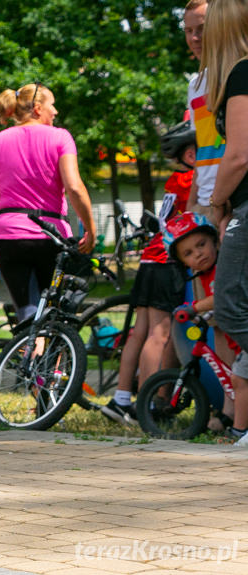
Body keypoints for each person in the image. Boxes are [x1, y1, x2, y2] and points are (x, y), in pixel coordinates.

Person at [0, 83, 96, 324]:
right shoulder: (61, 137)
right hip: (50, 236)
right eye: (52, 105)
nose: (56, 111)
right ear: (38, 108)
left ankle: (27, 353)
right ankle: (54, 360)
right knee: (54, 315)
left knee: (27, 313)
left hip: (9, 237)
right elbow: (74, 187)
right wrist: (90, 228)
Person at [100, 122, 196, 425]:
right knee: (159, 333)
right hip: (168, 261)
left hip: (150, 258)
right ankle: (147, 406)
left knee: (139, 332)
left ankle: (121, 399)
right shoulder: (193, 178)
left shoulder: (173, 179)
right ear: (191, 153)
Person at [202, 0, 248, 445]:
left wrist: (218, 202)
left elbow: (238, 154)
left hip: (246, 207)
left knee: (231, 306)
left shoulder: (242, 72)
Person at [162, 212, 241, 432]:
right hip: (229, 328)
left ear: (215, 239)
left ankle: (236, 422)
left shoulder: (224, 265)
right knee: (230, 372)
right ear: (182, 262)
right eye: (188, 253)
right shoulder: (203, 275)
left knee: (238, 373)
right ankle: (229, 415)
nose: (198, 254)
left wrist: (194, 308)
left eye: (201, 244)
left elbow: (222, 296)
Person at [184, 0, 226, 218]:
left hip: (232, 200)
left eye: (201, 29)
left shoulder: (236, 75)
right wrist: (192, 204)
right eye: (189, 31)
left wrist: (221, 201)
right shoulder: (195, 86)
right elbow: (203, 148)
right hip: (205, 203)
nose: (194, 38)